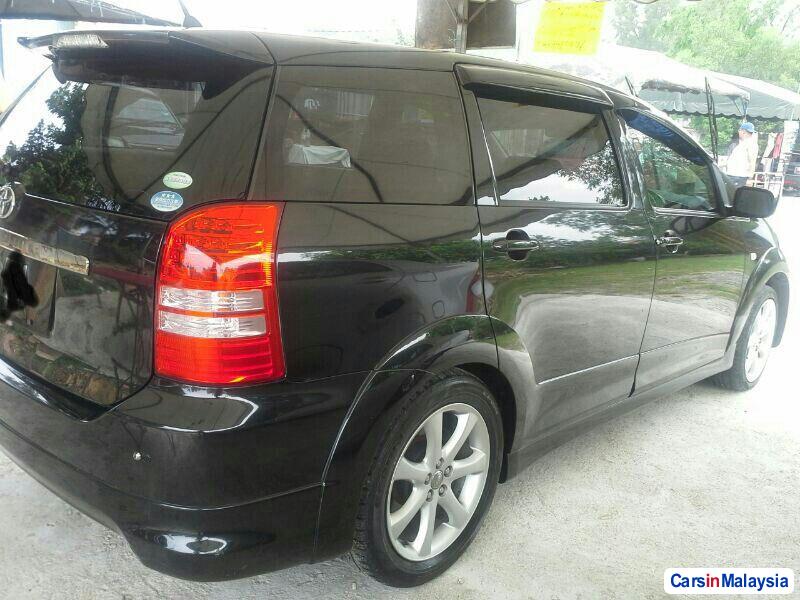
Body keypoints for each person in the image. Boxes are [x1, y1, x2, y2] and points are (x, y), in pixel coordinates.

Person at [725, 122, 759, 187]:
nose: (738, 132)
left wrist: (750, 177)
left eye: (739, 130)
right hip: (734, 175)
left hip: (739, 176)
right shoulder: (742, 143)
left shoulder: (751, 144)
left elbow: (752, 161)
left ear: (743, 132)